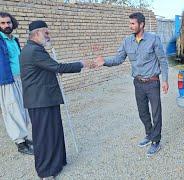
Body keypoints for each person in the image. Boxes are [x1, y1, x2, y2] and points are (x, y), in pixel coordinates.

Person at [19, 20, 95, 179]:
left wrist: (52, 70)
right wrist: (82, 63)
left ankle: (56, 164)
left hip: (46, 99)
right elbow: (58, 67)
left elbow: (46, 69)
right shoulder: (33, 51)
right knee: (44, 136)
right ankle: (45, 171)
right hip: (40, 101)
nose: (49, 36)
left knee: (53, 132)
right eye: (46, 33)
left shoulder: (34, 49)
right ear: (37, 33)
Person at [96, 12, 169, 156]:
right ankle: (149, 134)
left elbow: (163, 60)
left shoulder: (153, 39)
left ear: (141, 24)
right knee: (142, 112)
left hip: (153, 82)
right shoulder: (127, 41)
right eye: (130, 23)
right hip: (138, 83)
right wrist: (105, 61)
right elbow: (118, 58)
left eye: (133, 23)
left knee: (156, 113)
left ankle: (156, 141)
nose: (130, 26)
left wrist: (165, 80)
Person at [0, 12, 33, 155]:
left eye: (8, 22)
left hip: (21, 78)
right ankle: (20, 143)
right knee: (12, 110)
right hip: (6, 80)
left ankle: (25, 138)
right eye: (2, 23)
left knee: (23, 109)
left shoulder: (14, 40)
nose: (6, 25)